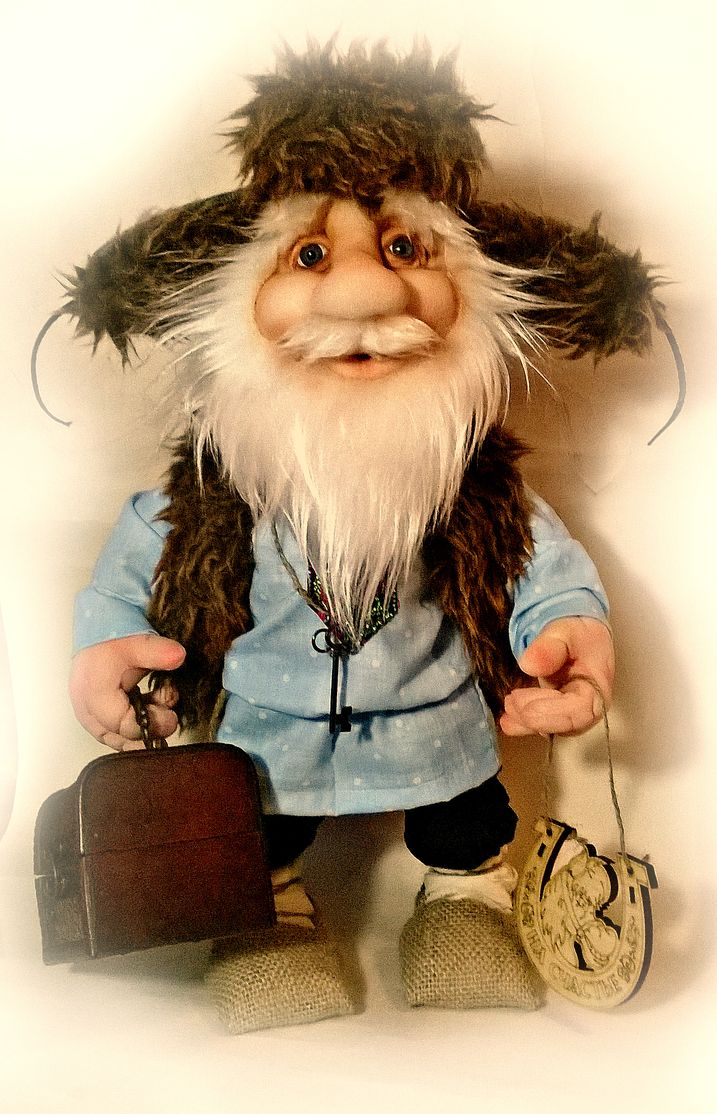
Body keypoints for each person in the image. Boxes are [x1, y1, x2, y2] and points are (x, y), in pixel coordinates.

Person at [63, 44, 657, 1033]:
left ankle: (464, 899)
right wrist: (110, 645)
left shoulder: (468, 487)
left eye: (405, 249)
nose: (364, 301)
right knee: (253, 835)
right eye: (308, 256)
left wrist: (567, 636)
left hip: (439, 726)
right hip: (268, 740)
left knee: (468, 820)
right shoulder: (218, 489)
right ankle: (271, 917)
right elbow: (135, 566)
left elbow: (540, 567)